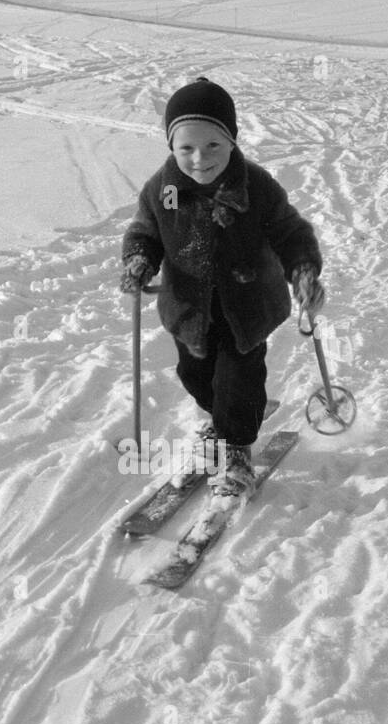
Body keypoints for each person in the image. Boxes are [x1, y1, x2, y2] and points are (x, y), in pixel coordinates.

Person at [120, 76, 325, 501]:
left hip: (246, 306)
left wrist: (302, 267)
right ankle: (220, 417)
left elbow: (289, 231)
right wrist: (140, 258)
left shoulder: (255, 187)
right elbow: (148, 231)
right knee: (195, 375)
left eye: (213, 145)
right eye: (186, 148)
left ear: (232, 140)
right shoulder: (167, 190)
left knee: (238, 378)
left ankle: (236, 447)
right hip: (189, 308)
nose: (199, 158)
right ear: (172, 148)